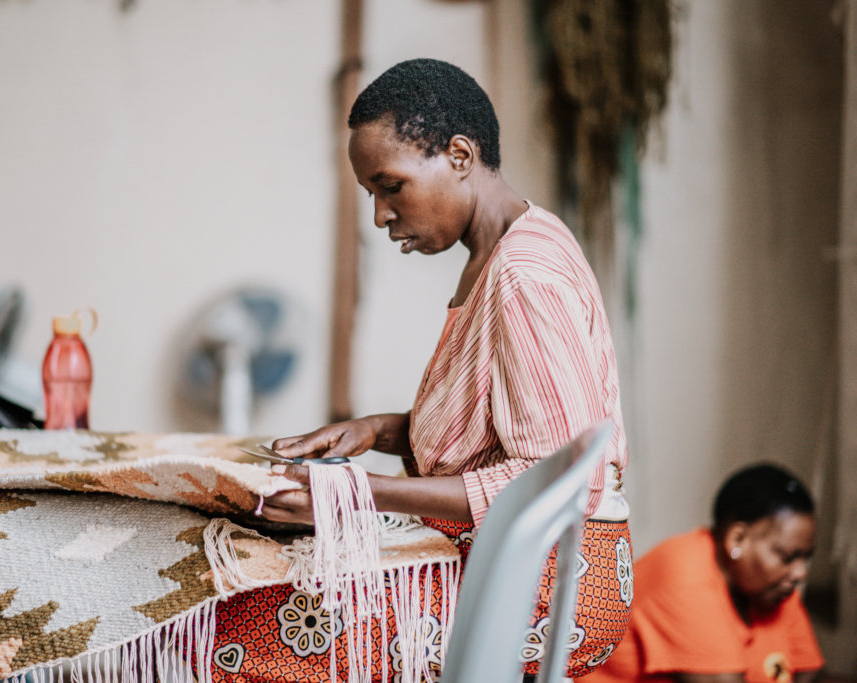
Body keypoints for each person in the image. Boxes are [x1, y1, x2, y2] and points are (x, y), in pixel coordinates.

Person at [251, 57, 632, 679]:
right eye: (372, 194)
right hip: (518, 562)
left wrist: (356, 496)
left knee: (248, 629)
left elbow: (563, 481)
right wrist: (377, 430)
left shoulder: (522, 275)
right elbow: (498, 424)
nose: (379, 216)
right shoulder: (504, 250)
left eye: (390, 186)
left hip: (547, 585)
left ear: (459, 154)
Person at [579, 463, 829, 683]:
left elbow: (810, 672)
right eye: (788, 557)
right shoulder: (685, 575)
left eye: (804, 558)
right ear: (737, 539)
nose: (800, 573)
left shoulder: (774, 584)